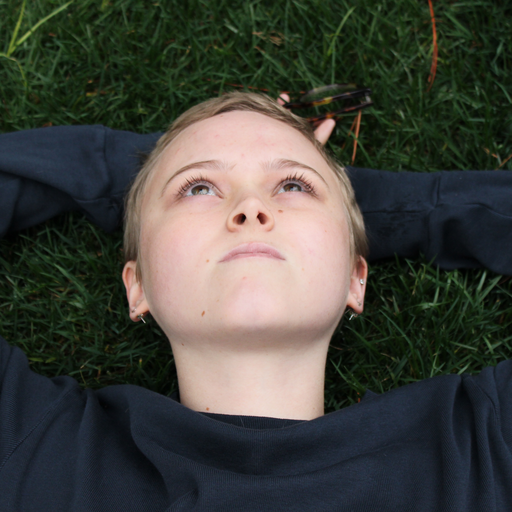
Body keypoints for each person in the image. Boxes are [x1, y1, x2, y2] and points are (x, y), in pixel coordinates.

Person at [0, 92, 511, 511]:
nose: (250, 208)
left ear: (358, 277)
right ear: (137, 286)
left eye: (291, 186)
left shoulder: (479, 448)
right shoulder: (35, 448)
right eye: (198, 188)